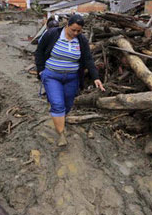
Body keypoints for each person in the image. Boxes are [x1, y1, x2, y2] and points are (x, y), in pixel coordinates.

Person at [35, 14, 105, 146]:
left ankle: (60, 117)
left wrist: (96, 77)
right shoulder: (52, 34)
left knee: (67, 104)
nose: (76, 33)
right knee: (57, 104)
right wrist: (40, 70)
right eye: (73, 30)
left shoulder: (81, 40)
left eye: (79, 31)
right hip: (52, 75)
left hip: (72, 78)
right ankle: (61, 134)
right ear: (67, 25)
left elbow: (88, 59)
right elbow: (39, 51)